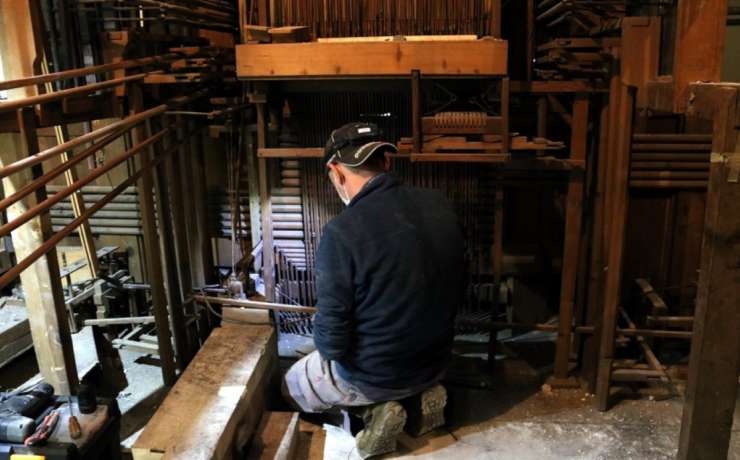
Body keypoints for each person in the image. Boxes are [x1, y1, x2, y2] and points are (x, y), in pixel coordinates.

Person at [283, 122, 465, 458]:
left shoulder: (342, 233)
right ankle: (419, 397)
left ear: (335, 172)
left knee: (291, 384)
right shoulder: (441, 206)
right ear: (387, 162)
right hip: (435, 360)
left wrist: (324, 344)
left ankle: (373, 410)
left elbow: (333, 344)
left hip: (375, 375)